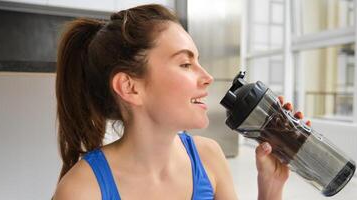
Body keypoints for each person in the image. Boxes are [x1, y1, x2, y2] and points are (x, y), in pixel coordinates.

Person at [53, 4, 310, 200]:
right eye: (186, 64)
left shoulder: (209, 157)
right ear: (130, 87)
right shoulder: (82, 190)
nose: (207, 77)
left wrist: (271, 186)